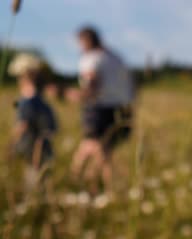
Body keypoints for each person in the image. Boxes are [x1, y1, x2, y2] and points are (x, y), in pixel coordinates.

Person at [71, 26, 135, 192]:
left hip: (99, 110)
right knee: (102, 150)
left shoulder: (92, 58)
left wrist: (74, 95)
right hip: (123, 109)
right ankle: (92, 184)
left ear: (85, 41)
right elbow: (132, 85)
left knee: (94, 149)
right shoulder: (116, 57)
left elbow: (92, 83)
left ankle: (85, 183)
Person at [8, 53, 58, 171]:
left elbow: (22, 126)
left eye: (19, 77)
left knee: (32, 183)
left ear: (24, 77)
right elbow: (53, 128)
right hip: (45, 150)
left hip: (31, 151)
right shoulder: (43, 102)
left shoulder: (27, 102)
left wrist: (10, 146)